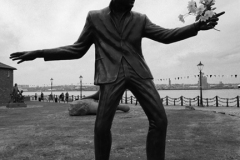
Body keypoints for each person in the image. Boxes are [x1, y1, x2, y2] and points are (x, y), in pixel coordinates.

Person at [10, 0, 224, 159]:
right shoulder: (95, 17)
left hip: (139, 74)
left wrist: (196, 26)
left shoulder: (140, 19)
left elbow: (165, 35)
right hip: (110, 76)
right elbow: (77, 49)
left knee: (160, 120)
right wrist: (39, 52)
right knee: (102, 127)